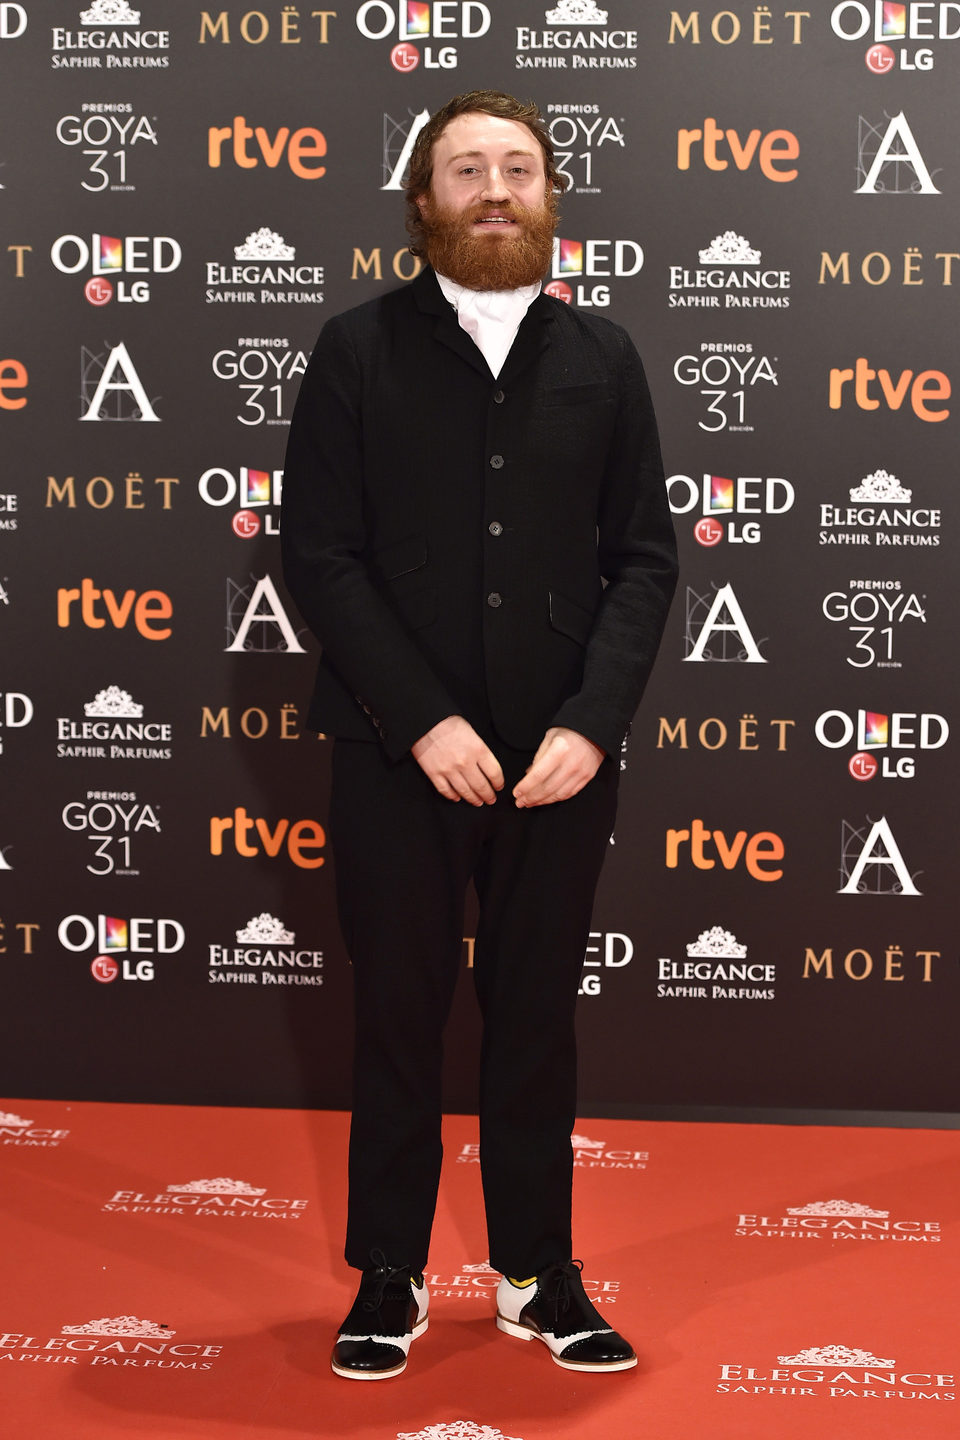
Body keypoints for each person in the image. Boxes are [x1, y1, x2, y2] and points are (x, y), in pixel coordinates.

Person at [281, 89, 677, 1380]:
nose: (495, 188)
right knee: (397, 1014)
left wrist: (592, 723)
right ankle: (387, 1274)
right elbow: (321, 558)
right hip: (399, 756)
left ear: (551, 197)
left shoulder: (605, 359)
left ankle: (536, 1275)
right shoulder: (355, 350)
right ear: (423, 202)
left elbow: (645, 563)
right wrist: (424, 718)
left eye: (518, 167)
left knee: (535, 1020)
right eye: (467, 169)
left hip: (561, 763)